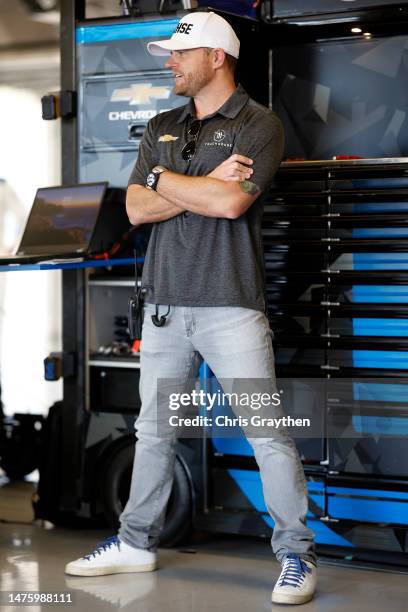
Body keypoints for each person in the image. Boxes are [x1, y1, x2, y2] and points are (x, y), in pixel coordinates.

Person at [65, 11, 317, 605]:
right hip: (163, 308)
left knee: (267, 435)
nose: (169, 62)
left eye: (180, 54)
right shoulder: (161, 126)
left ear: (217, 58)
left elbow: (231, 205)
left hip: (231, 306)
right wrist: (189, 180)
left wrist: (166, 181)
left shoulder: (260, 124)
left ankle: (297, 558)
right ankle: (135, 543)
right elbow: (133, 208)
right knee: (153, 432)